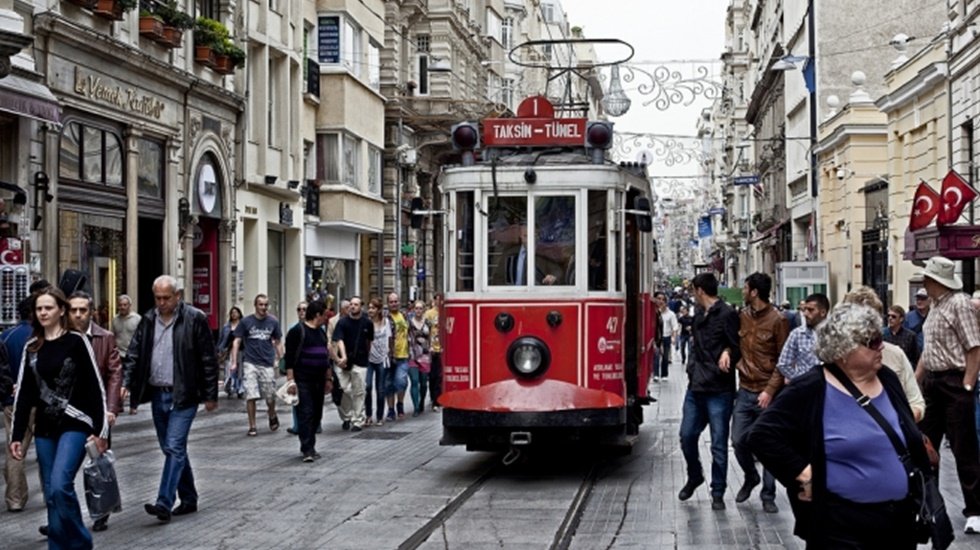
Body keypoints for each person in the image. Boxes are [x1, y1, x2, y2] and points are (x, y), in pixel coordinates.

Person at [748, 303, 933, 548]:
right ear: (843, 349)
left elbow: (906, 429)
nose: (881, 346)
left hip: (898, 521)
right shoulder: (812, 387)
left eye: (880, 338)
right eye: (872, 342)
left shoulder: (887, 378)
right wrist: (804, 474)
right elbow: (761, 435)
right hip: (840, 526)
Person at [9, 287, 108, 549]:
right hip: (45, 428)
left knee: (60, 485)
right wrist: (16, 436)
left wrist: (102, 431)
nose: (43, 312)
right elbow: (25, 395)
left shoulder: (77, 341)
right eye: (39, 308)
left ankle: (81, 541)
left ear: (61, 310)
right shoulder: (32, 347)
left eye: (48, 307)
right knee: (51, 496)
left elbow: (95, 388)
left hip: (75, 424)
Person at [122, 275, 218, 523]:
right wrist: (126, 383)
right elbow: (134, 353)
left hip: (184, 394)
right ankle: (189, 497)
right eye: (158, 298)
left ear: (178, 296)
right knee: (172, 449)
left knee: (174, 446)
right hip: (158, 393)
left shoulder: (194, 318)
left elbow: (208, 359)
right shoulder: (148, 320)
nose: (162, 303)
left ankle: (164, 502)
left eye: (166, 298)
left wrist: (210, 395)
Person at [913, 256, 980, 534]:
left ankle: (975, 510)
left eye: (927, 278)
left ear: (936, 281)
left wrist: (967, 384)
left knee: (964, 448)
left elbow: (974, 347)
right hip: (933, 381)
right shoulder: (935, 306)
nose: (924, 282)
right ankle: (929, 505)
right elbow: (929, 352)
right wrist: (914, 381)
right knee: (925, 446)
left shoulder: (960, 304)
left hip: (954, 381)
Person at [678, 272, 740, 510]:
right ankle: (695, 475)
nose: (693, 295)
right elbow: (695, 347)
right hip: (696, 387)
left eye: (694, 291)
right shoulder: (698, 315)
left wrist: (728, 351)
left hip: (719, 389)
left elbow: (737, 346)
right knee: (687, 436)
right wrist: (691, 369)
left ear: (700, 290)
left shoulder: (727, 314)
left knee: (718, 444)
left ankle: (718, 491)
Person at [731, 273, 788, 514]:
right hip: (745, 389)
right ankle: (750, 476)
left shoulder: (778, 320)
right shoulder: (742, 316)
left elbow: (783, 360)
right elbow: (734, 345)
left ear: (754, 292)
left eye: (745, 288)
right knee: (738, 440)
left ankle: (768, 494)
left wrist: (770, 390)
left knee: (769, 444)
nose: (742, 291)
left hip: (768, 392)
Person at [67, 290, 123, 533]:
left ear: (91, 312)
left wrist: (111, 409)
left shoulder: (105, 337)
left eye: (83, 310)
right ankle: (59, 515)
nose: (78, 315)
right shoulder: (60, 337)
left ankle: (101, 513)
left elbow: (114, 374)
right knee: (63, 470)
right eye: (73, 310)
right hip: (68, 414)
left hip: (97, 414)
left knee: (98, 466)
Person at [842, 287, 925, 422]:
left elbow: (916, 402)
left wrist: (899, 422)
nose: (880, 347)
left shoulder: (895, 355)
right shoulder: (834, 364)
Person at [230, 294, 284, 437]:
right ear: (255, 305)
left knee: (270, 395)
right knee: (251, 394)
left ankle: (271, 413)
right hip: (250, 362)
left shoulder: (273, 322)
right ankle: (252, 425)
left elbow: (278, 341)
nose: (263, 307)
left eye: (266, 305)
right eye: (261, 304)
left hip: (267, 363)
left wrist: (282, 359)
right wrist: (234, 362)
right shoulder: (246, 322)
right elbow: (236, 341)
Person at [283, 300, 330, 462]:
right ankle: (307, 448)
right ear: (317, 315)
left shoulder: (321, 333)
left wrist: (328, 378)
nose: (326, 318)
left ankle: (311, 445)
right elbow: (289, 357)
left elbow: (326, 356)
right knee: (306, 412)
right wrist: (290, 380)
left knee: (317, 414)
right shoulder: (297, 331)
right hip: (303, 379)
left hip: (319, 379)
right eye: (324, 315)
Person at [2, 296, 35, 513]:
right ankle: (52, 494)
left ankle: (15, 498)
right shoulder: (41, 336)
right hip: (40, 402)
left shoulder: (6, 336)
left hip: (12, 402)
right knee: (47, 450)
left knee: (15, 449)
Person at [333, 296, 373, 432]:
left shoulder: (367, 323)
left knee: (359, 391)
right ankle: (347, 415)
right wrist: (343, 356)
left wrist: (367, 356)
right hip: (344, 362)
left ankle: (358, 420)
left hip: (361, 361)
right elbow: (339, 340)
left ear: (361, 307)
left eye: (356, 304)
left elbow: (369, 341)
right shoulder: (342, 322)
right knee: (343, 388)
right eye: (351, 304)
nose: (353, 306)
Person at [775, 293, 830, 382]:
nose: (805, 314)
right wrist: (801, 380)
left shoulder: (834, 334)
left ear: (823, 312)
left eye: (810, 310)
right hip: (806, 386)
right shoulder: (797, 334)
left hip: (830, 386)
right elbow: (783, 364)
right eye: (804, 310)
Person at [112, 294, 142, 415]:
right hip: (119, 353)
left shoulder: (137, 319)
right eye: (120, 305)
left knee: (133, 381)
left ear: (129, 305)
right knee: (118, 380)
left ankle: (133, 405)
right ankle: (119, 404)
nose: (122, 307)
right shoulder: (115, 320)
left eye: (125, 305)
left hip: (133, 354)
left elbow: (141, 337)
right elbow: (113, 336)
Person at [365, 297, 390, 426]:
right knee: (367, 386)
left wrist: (389, 354)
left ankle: (379, 416)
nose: (370, 310)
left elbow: (390, 338)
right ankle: (368, 415)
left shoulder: (386, 322)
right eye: (369, 308)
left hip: (382, 358)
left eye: (373, 308)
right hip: (369, 358)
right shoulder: (366, 323)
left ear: (379, 310)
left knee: (380, 389)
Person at [386, 293, 410, 421]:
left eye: (396, 301)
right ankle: (391, 410)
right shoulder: (385, 318)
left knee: (401, 381)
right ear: (388, 304)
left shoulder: (405, 315)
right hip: (390, 356)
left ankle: (400, 403)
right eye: (391, 302)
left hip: (404, 354)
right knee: (389, 383)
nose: (394, 304)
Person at [326, 300, 350, 427]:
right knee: (342, 387)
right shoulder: (332, 321)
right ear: (341, 309)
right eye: (347, 307)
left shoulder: (355, 320)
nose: (350, 309)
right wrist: (334, 357)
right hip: (338, 359)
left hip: (352, 357)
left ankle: (354, 415)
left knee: (352, 389)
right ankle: (346, 417)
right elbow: (329, 340)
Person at [286, 301, 307, 435]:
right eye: (299, 309)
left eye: (304, 309)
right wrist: (290, 373)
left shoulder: (318, 328)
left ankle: (316, 424)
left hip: (312, 368)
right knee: (296, 398)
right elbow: (289, 352)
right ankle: (297, 426)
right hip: (298, 368)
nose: (302, 312)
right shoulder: (293, 329)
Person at [408, 300, 431, 417]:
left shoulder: (427, 323)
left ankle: (422, 401)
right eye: (416, 308)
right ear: (413, 310)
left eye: (420, 308)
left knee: (423, 383)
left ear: (424, 310)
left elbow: (430, 337)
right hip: (412, 354)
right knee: (414, 381)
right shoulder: (409, 323)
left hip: (425, 355)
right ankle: (416, 407)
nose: (418, 310)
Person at [217, 307, 244, 399]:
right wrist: (219, 350)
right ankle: (229, 388)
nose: (234, 314)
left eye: (236, 312)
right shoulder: (226, 326)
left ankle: (240, 389)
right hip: (228, 351)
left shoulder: (243, 325)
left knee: (240, 371)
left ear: (239, 314)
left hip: (241, 351)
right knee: (229, 370)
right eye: (232, 312)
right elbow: (221, 339)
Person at [883, 305, 920, 369]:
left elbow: (915, 358)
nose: (890, 318)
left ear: (901, 319)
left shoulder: (910, 336)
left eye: (893, 316)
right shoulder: (882, 334)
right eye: (888, 316)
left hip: (903, 369)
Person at [425, 293, 444, 412]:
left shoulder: (445, 312)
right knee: (432, 376)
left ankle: (437, 399)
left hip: (441, 348)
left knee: (439, 376)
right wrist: (428, 346)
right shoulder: (429, 314)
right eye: (437, 299)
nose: (439, 302)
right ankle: (433, 397)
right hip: (432, 348)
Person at [654, 291, 678, 382]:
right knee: (656, 356)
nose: (661, 301)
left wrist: (673, 337)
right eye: (659, 299)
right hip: (656, 338)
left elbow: (675, 326)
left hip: (666, 337)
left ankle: (664, 374)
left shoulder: (671, 314)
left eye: (663, 299)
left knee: (665, 356)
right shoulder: (654, 313)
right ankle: (656, 374)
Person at [904, 287, 930, 352]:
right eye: (918, 299)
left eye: (923, 299)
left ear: (929, 300)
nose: (919, 301)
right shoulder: (908, 317)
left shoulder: (934, 315)